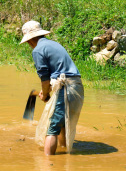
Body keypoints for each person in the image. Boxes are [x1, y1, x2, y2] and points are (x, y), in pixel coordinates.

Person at [20, 20, 84, 155]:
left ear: (29, 40)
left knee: (51, 128)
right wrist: (47, 92)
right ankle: (64, 153)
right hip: (77, 86)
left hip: (65, 87)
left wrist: (44, 93)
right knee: (62, 124)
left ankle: (49, 164)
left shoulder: (37, 50)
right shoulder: (54, 44)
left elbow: (45, 78)